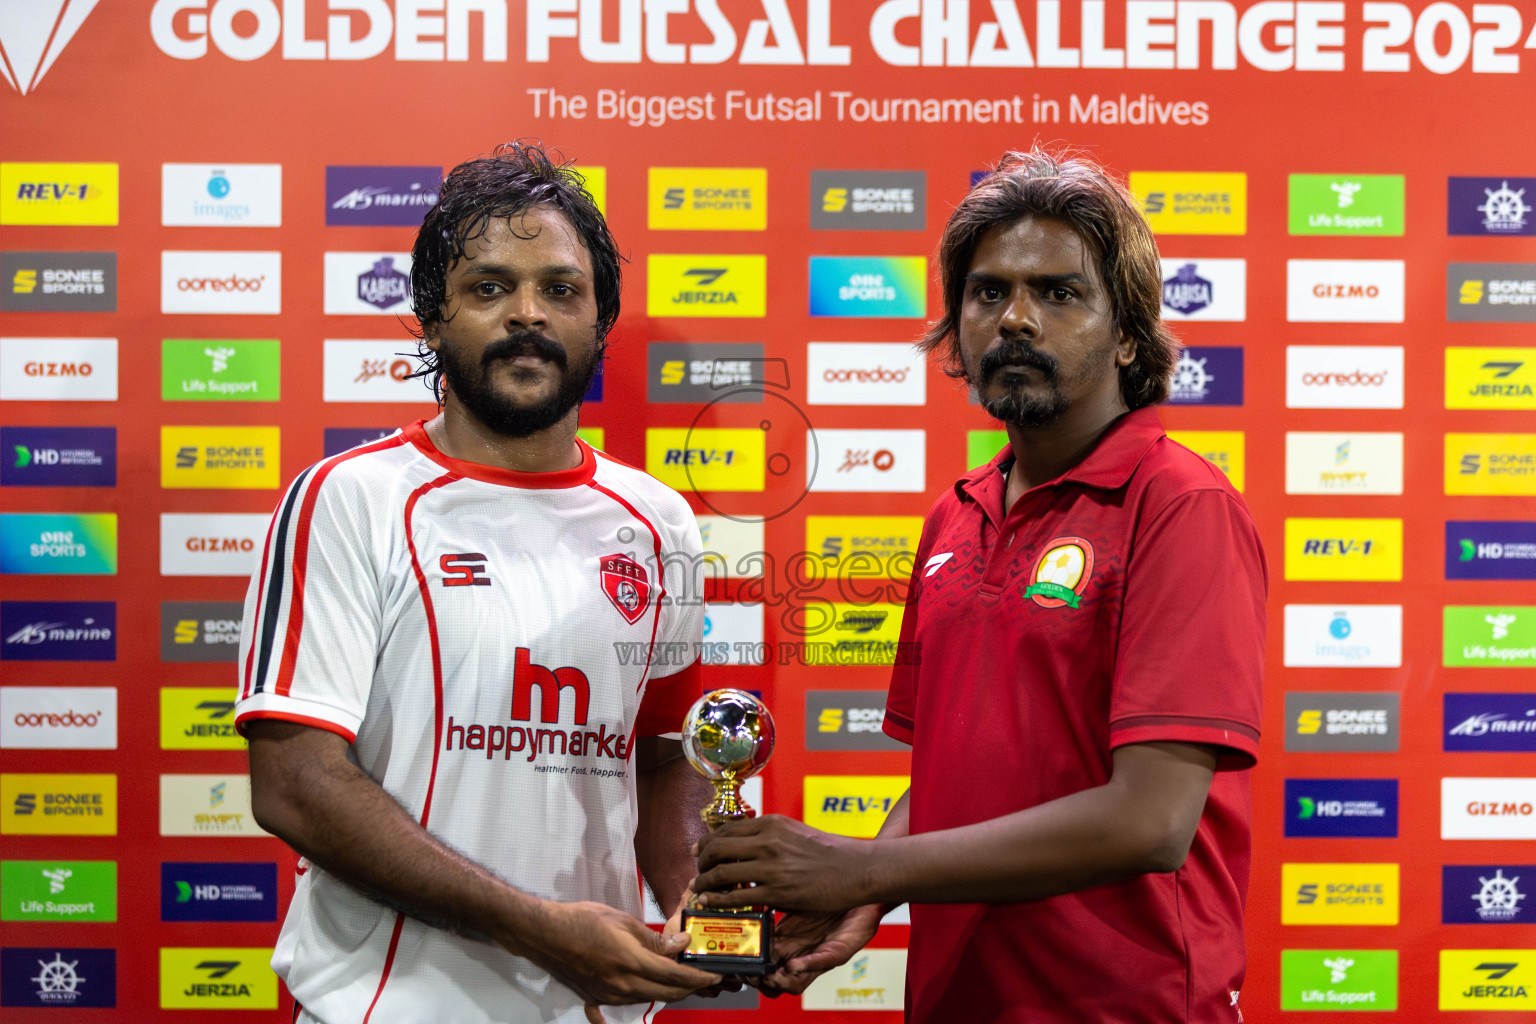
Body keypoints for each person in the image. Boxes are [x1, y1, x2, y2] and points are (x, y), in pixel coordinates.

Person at [692, 148, 1267, 1023]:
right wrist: (858, 904)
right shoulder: (953, 517)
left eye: (1060, 293)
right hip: (957, 996)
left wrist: (864, 866)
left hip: (1122, 1005)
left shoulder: (1182, 505)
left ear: (1126, 331)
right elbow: (950, 777)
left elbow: (1150, 821)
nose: (1015, 320)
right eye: (989, 292)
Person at [236, 141, 721, 1024]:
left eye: (560, 289)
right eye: (489, 287)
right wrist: (539, 930)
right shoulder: (350, 500)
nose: (527, 314)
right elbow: (295, 782)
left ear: (599, 321)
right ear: (432, 318)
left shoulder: (661, 523)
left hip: (595, 1009)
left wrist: (705, 900)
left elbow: (663, 758)